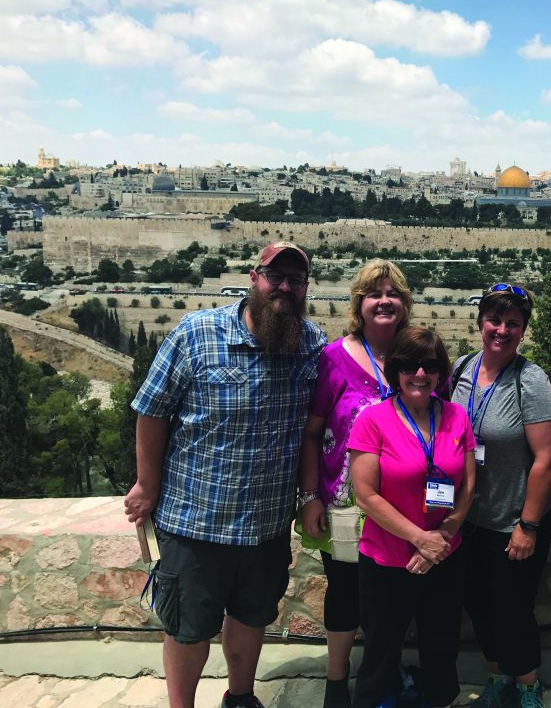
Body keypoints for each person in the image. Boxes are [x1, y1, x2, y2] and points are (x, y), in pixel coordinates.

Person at [123, 241, 326, 708]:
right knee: (188, 627)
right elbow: (151, 411)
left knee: (252, 617)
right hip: (196, 522)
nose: (286, 288)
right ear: (254, 278)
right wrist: (146, 484)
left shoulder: (310, 344)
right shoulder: (197, 334)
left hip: (266, 526)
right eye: (276, 276)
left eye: (296, 280)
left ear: (306, 288)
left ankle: (240, 697)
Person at [296, 259, 414, 708]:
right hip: (344, 506)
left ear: (404, 305)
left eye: (392, 294)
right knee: (344, 594)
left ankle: (385, 675)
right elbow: (312, 431)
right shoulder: (333, 359)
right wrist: (309, 497)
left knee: (394, 600)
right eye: (373, 293)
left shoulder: (416, 355)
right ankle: (336, 684)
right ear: (358, 304)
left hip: (400, 508)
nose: (383, 301)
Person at [349, 327, 476, 708]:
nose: (420, 373)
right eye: (409, 364)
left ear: (440, 372)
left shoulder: (456, 416)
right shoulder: (373, 420)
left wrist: (442, 537)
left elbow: (467, 488)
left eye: (430, 365)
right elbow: (366, 495)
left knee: (441, 650)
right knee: (380, 652)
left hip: (444, 558)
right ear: (395, 370)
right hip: (388, 560)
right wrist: (420, 539)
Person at [450, 283, 551, 708]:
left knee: (513, 611)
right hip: (469, 518)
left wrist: (528, 526)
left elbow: (545, 460)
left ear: (523, 330)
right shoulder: (461, 369)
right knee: (478, 605)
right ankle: (498, 679)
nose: (501, 330)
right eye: (494, 320)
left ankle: (529, 685)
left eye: (512, 324)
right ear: (480, 322)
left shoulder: (529, 381)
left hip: (513, 520)